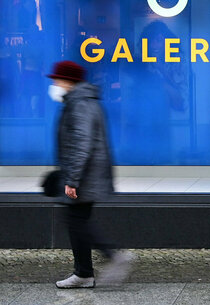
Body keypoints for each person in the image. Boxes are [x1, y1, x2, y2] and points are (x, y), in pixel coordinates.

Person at [47, 60, 134, 289]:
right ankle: (84, 273)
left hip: (84, 176)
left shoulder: (81, 104)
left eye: (57, 79)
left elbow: (81, 143)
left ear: (68, 81)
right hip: (85, 173)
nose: (54, 84)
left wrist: (72, 179)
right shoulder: (79, 101)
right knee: (77, 221)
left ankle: (112, 257)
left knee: (77, 221)